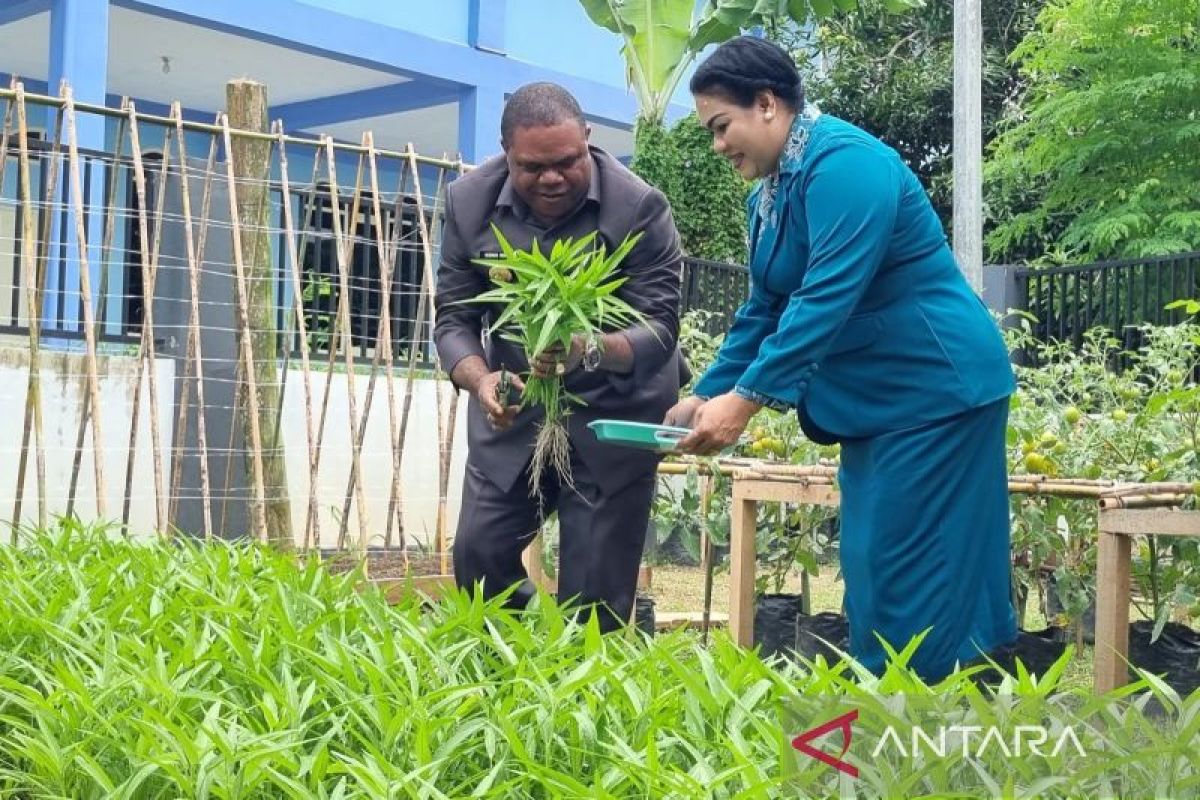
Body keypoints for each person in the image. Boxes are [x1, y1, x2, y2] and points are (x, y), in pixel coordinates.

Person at [666, 37, 1018, 680]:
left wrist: (742, 405)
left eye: (722, 127)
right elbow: (766, 308)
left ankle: (924, 715)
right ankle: (903, 708)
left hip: (938, 390)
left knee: (917, 565)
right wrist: (706, 391)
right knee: (872, 563)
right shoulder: (767, 197)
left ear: (767, 104)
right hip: (879, 403)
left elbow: (825, 298)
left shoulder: (849, 168)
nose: (718, 146)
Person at [434, 82, 686, 632]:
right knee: (478, 559)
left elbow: (660, 329)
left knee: (595, 598)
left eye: (568, 161)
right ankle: (525, 661)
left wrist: (588, 349)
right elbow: (453, 320)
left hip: (611, 416)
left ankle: (577, 676)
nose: (552, 177)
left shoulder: (638, 207)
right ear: (506, 154)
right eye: (532, 167)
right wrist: (480, 382)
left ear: (589, 142)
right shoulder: (469, 203)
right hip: (516, 411)